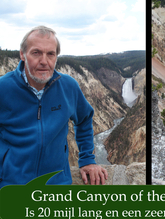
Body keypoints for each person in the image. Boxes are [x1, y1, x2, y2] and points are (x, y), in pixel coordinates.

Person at [0, 25, 108, 188]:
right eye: (36, 53)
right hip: (12, 186)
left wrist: (87, 159)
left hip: (57, 185)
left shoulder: (68, 86)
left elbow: (84, 119)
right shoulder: (4, 88)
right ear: (22, 54)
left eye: (50, 54)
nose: (44, 61)